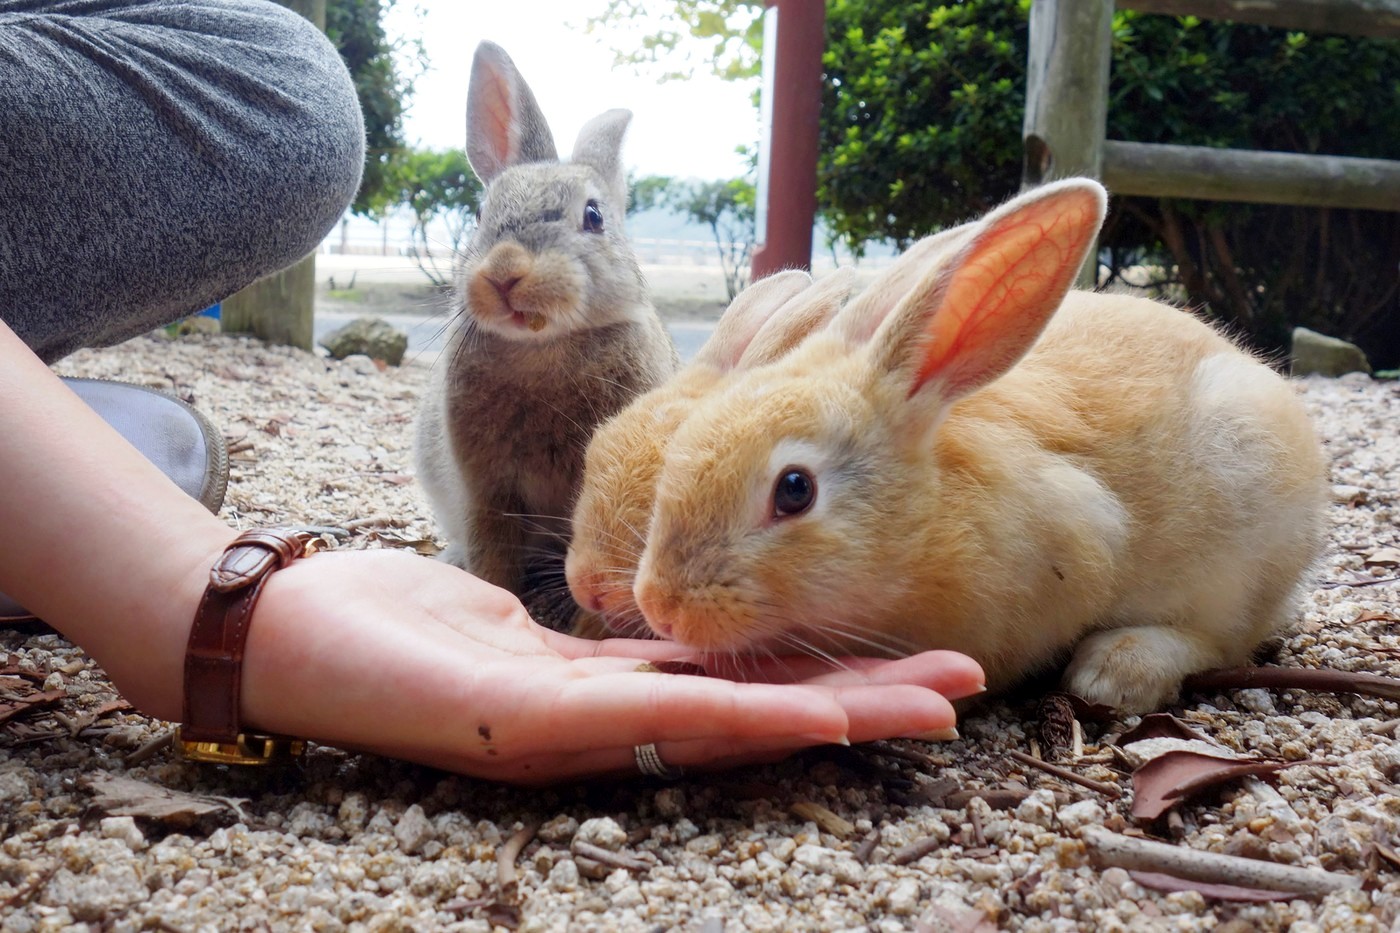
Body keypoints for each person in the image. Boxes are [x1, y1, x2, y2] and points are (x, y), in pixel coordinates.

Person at [0, 0, 984, 783]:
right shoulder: (475, 348)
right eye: (495, 233)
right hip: (488, 529)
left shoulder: (634, 351)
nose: (510, 268)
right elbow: (484, 491)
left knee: (287, 89)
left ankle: (37, 424)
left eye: (572, 225)